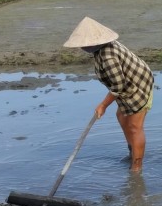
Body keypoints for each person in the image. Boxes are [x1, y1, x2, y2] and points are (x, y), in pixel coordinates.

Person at [63, 16, 154, 172]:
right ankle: (133, 151)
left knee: (135, 127)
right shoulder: (101, 50)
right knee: (121, 116)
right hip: (128, 84)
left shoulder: (108, 56)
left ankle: (137, 166)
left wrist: (103, 105)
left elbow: (119, 85)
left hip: (138, 85)